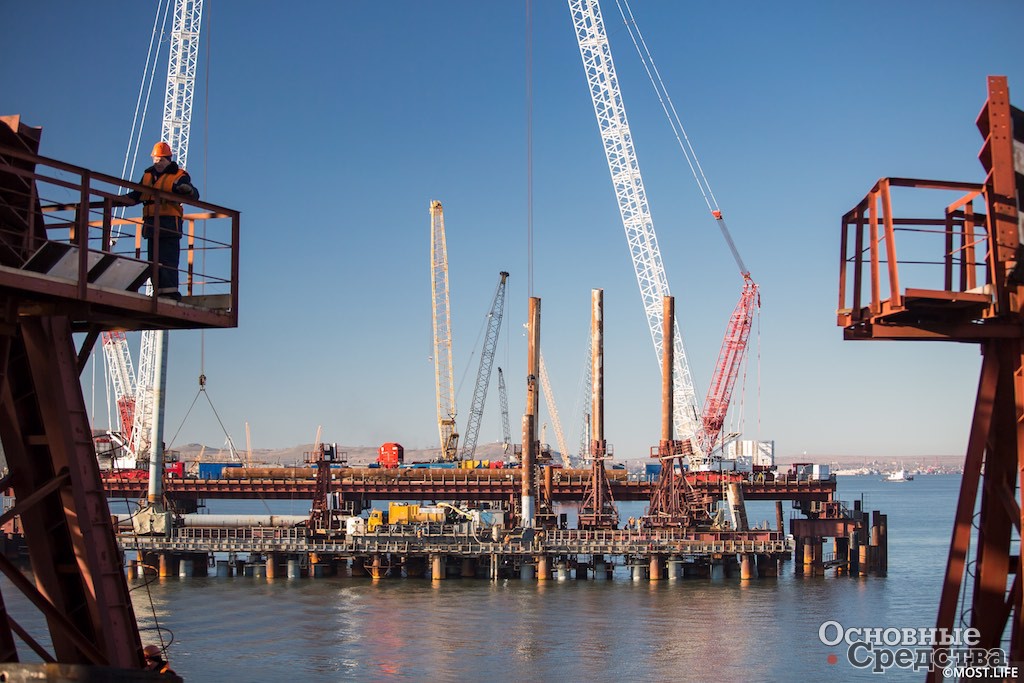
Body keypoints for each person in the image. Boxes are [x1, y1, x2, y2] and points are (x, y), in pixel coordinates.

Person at [122, 141, 199, 300]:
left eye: (161, 160)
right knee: (153, 260)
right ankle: (159, 291)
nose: (157, 163)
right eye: (155, 160)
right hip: (151, 224)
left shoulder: (179, 175)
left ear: (168, 160)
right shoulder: (147, 176)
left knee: (168, 259)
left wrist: (187, 190)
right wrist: (119, 200)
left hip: (169, 223)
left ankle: (170, 293)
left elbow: (193, 193)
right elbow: (136, 195)